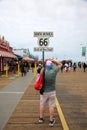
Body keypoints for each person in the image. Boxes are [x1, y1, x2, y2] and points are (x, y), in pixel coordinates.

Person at [39, 59, 62, 127]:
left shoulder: (42, 70)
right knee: (51, 106)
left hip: (43, 91)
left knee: (42, 104)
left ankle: (41, 118)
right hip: (52, 91)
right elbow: (60, 64)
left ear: (46, 65)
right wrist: (53, 60)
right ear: (51, 65)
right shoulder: (54, 71)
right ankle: (51, 120)